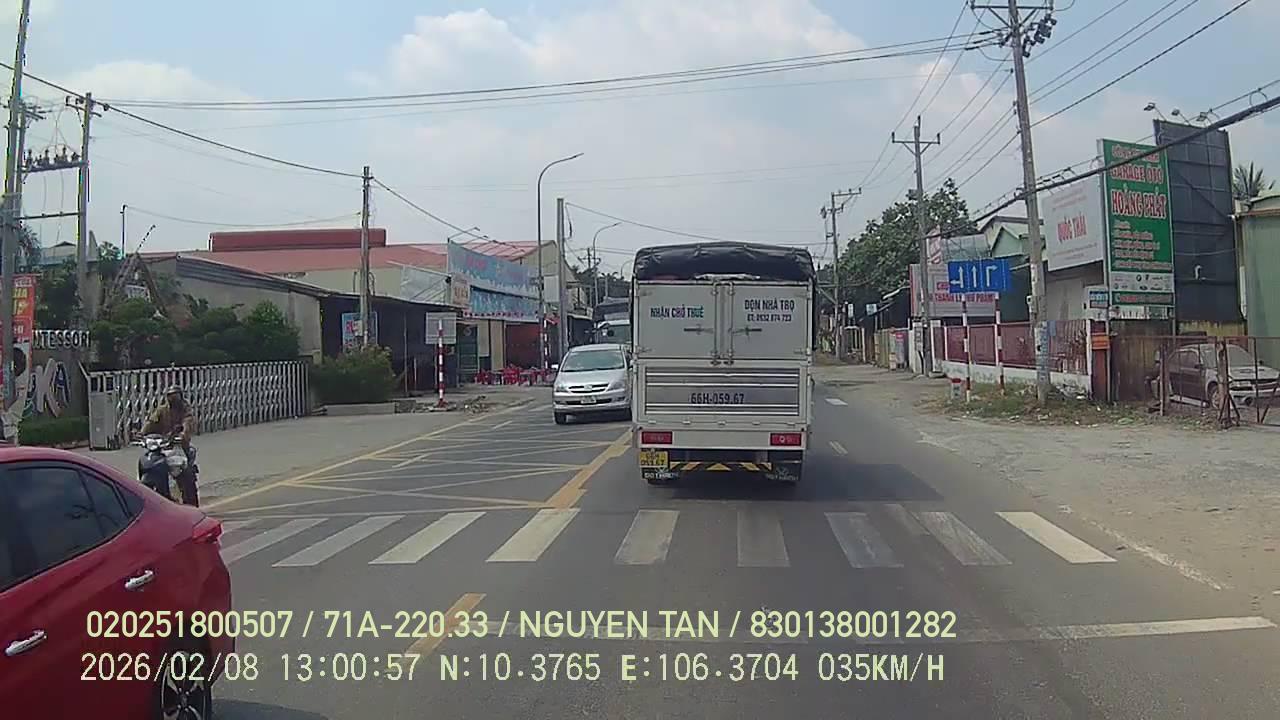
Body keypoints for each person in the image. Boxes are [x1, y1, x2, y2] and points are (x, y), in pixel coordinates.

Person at [141, 384, 200, 506]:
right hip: (162, 445)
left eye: (175, 396)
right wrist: (141, 433)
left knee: (186, 472)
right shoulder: (162, 410)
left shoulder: (185, 410)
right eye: (170, 396)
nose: (173, 399)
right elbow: (151, 422)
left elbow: (188, 422)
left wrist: (183, 434)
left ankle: (192, 502)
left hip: (178, 445)